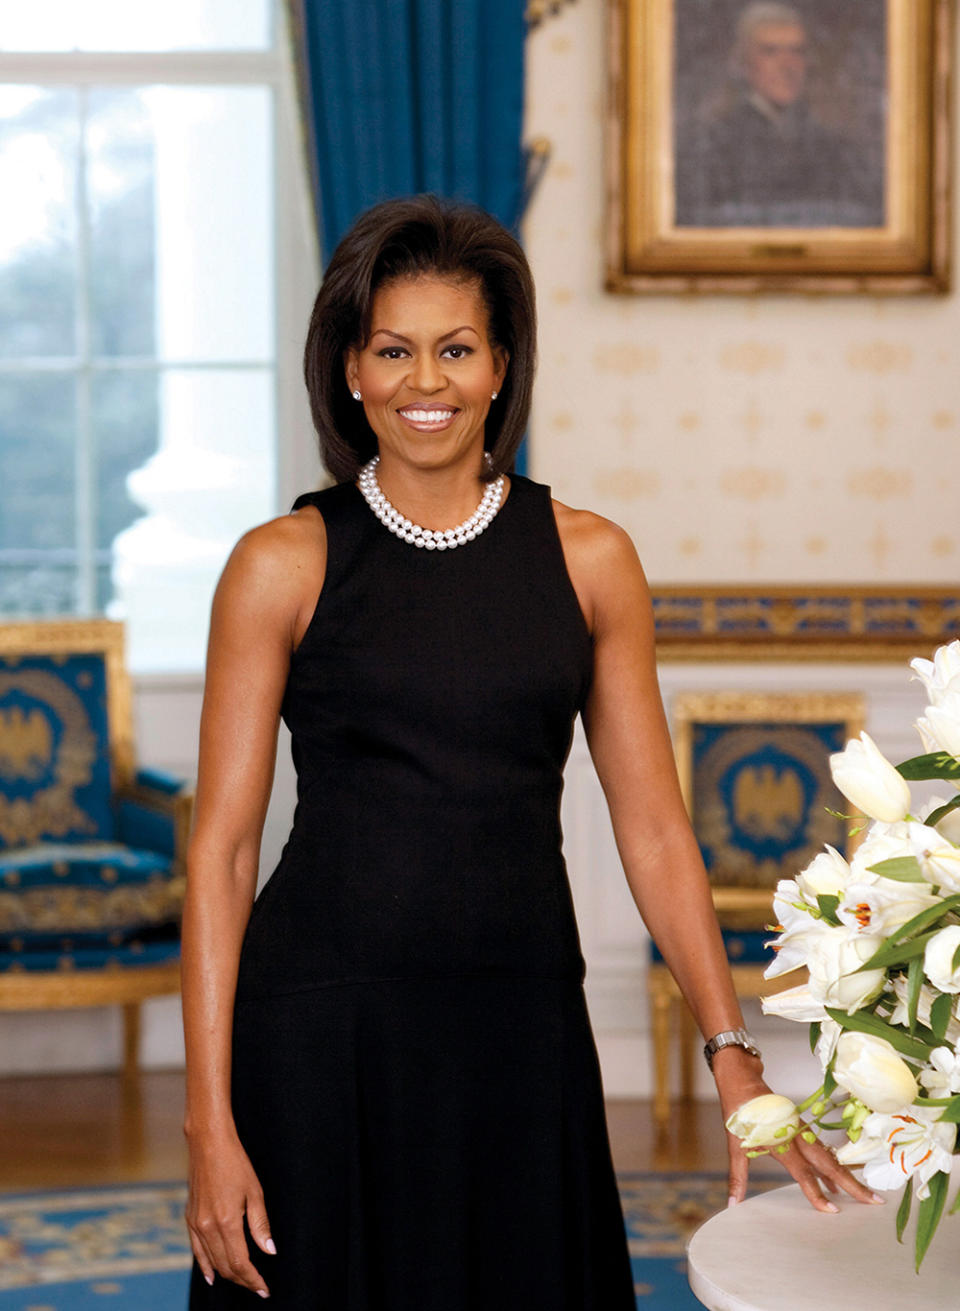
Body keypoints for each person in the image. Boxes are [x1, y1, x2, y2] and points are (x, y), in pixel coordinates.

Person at [180, 193, 880, 1308]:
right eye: (393, 351)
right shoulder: (281, 564)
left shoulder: (592, 559)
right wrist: (207, 1121)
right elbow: (220, 854)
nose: (427, 383)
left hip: (520, 1028)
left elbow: (652, 829)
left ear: (501, 367)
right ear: (350, 372)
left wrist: (733, 1056)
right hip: (320, 1036)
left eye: (456, 349)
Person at [675, 1, 883, 228]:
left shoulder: (834, 147)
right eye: (770, 51)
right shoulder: (712, 145)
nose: (788, 65)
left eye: (797, 51)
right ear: (743, 63)